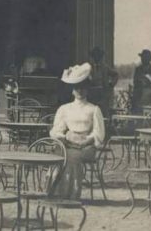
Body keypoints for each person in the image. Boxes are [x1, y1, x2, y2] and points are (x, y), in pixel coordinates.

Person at [49, 62, 106, 199]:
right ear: (72, 90)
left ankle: (70, 195)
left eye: (83, 88)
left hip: (86, 146)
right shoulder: (65, 109)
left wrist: (87, 140)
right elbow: (57, 130)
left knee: (72, 157)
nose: (80, 91)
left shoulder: (94, 109)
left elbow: (99, 133)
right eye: (77, 88)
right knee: (58, 155)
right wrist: (63, 137)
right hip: (68, 144)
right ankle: (54, 193)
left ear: (87, 89)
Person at [87, 46, 119, 117]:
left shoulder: (105, 67)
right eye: (95, 56)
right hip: (91, 96)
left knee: (103, 114)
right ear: (92, 57)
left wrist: (111, 84)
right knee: (92, 114)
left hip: (103, 95)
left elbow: (115, 75)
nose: (97, 58)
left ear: (101, 57)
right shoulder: (88, 68)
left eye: (99, 56)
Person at [131, 49, 151, 113]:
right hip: (138, 97)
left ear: (148, 59)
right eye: (142, 57)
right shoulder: (138, 69)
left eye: (144, 57)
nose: (142, 59)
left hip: (150, 98)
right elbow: (135, 82)